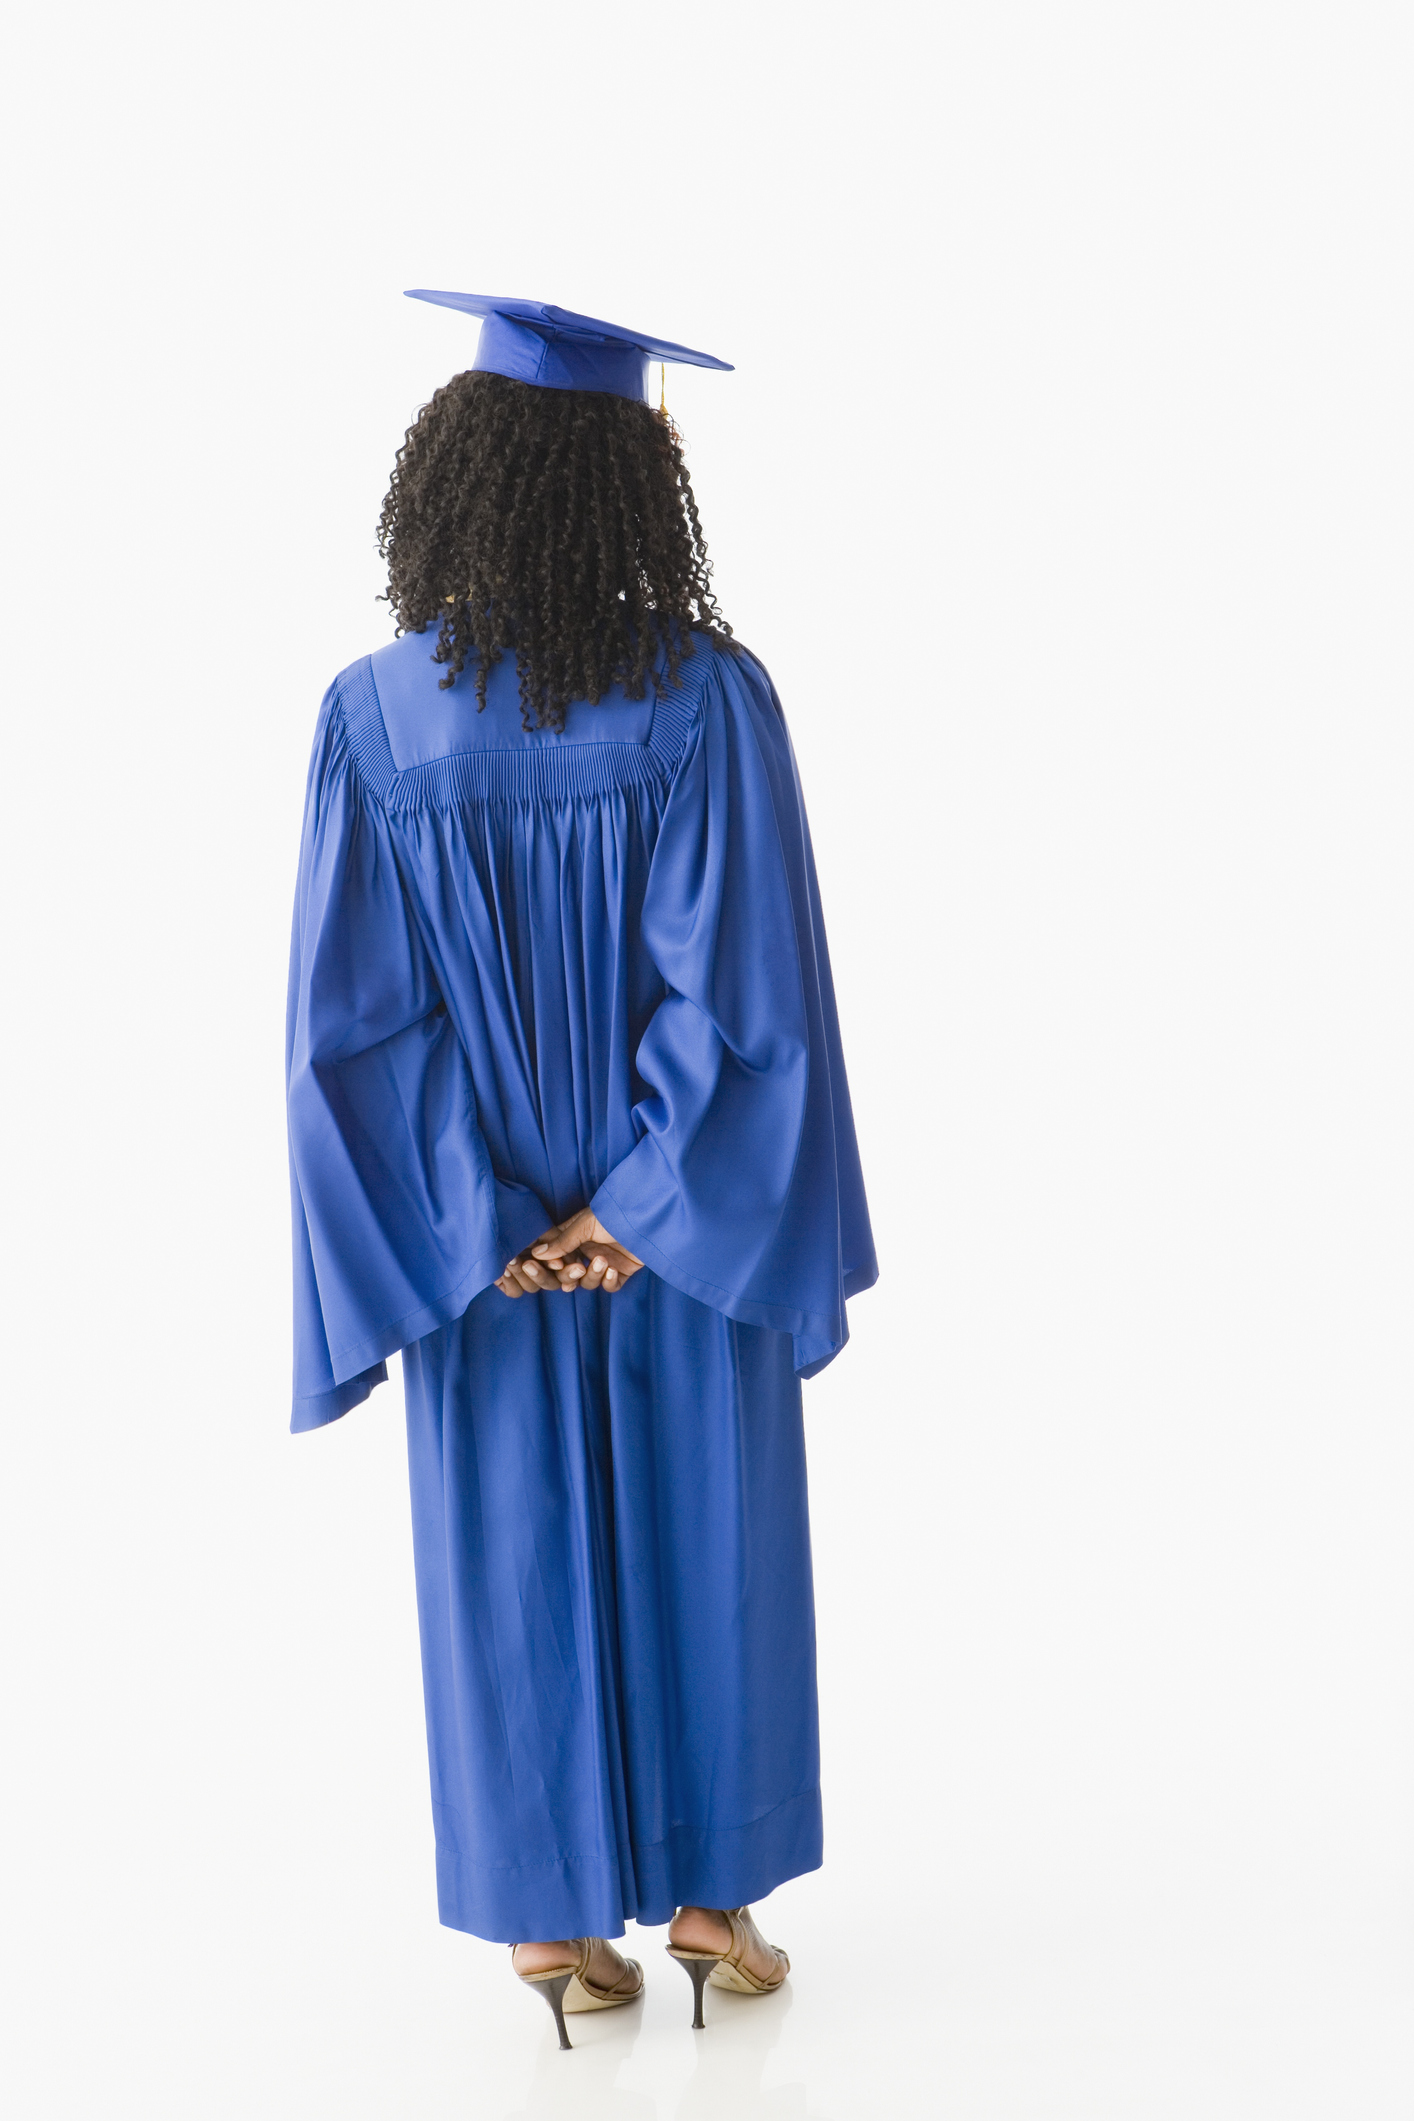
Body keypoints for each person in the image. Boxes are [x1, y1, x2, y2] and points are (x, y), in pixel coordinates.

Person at [285, 292, 876, 2050]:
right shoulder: (708, 697)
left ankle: (550, 1927)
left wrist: (479, 1220)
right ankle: (711, 1904)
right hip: (676, 1233)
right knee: (712, 1529)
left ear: (448, 485)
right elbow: (744, 989)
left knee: (512, 1550)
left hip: (481, 1255)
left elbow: (358, 1025)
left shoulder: (371, 716)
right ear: (629, 483)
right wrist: (643, 1201)